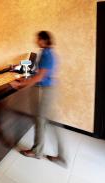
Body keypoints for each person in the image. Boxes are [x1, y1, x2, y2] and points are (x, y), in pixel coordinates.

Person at [10, 31, 64, 164]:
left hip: (47, 90)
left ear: (43, 40)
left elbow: (40, 77)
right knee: (47, 122)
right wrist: (22, 75)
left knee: (41, 121)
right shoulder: (47, 52)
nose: (36, 41)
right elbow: (38, 72)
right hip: (49, 89)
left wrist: (21, 84)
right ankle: (58, 155)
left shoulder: (47, 54)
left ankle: (37, 152)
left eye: (38, 39)